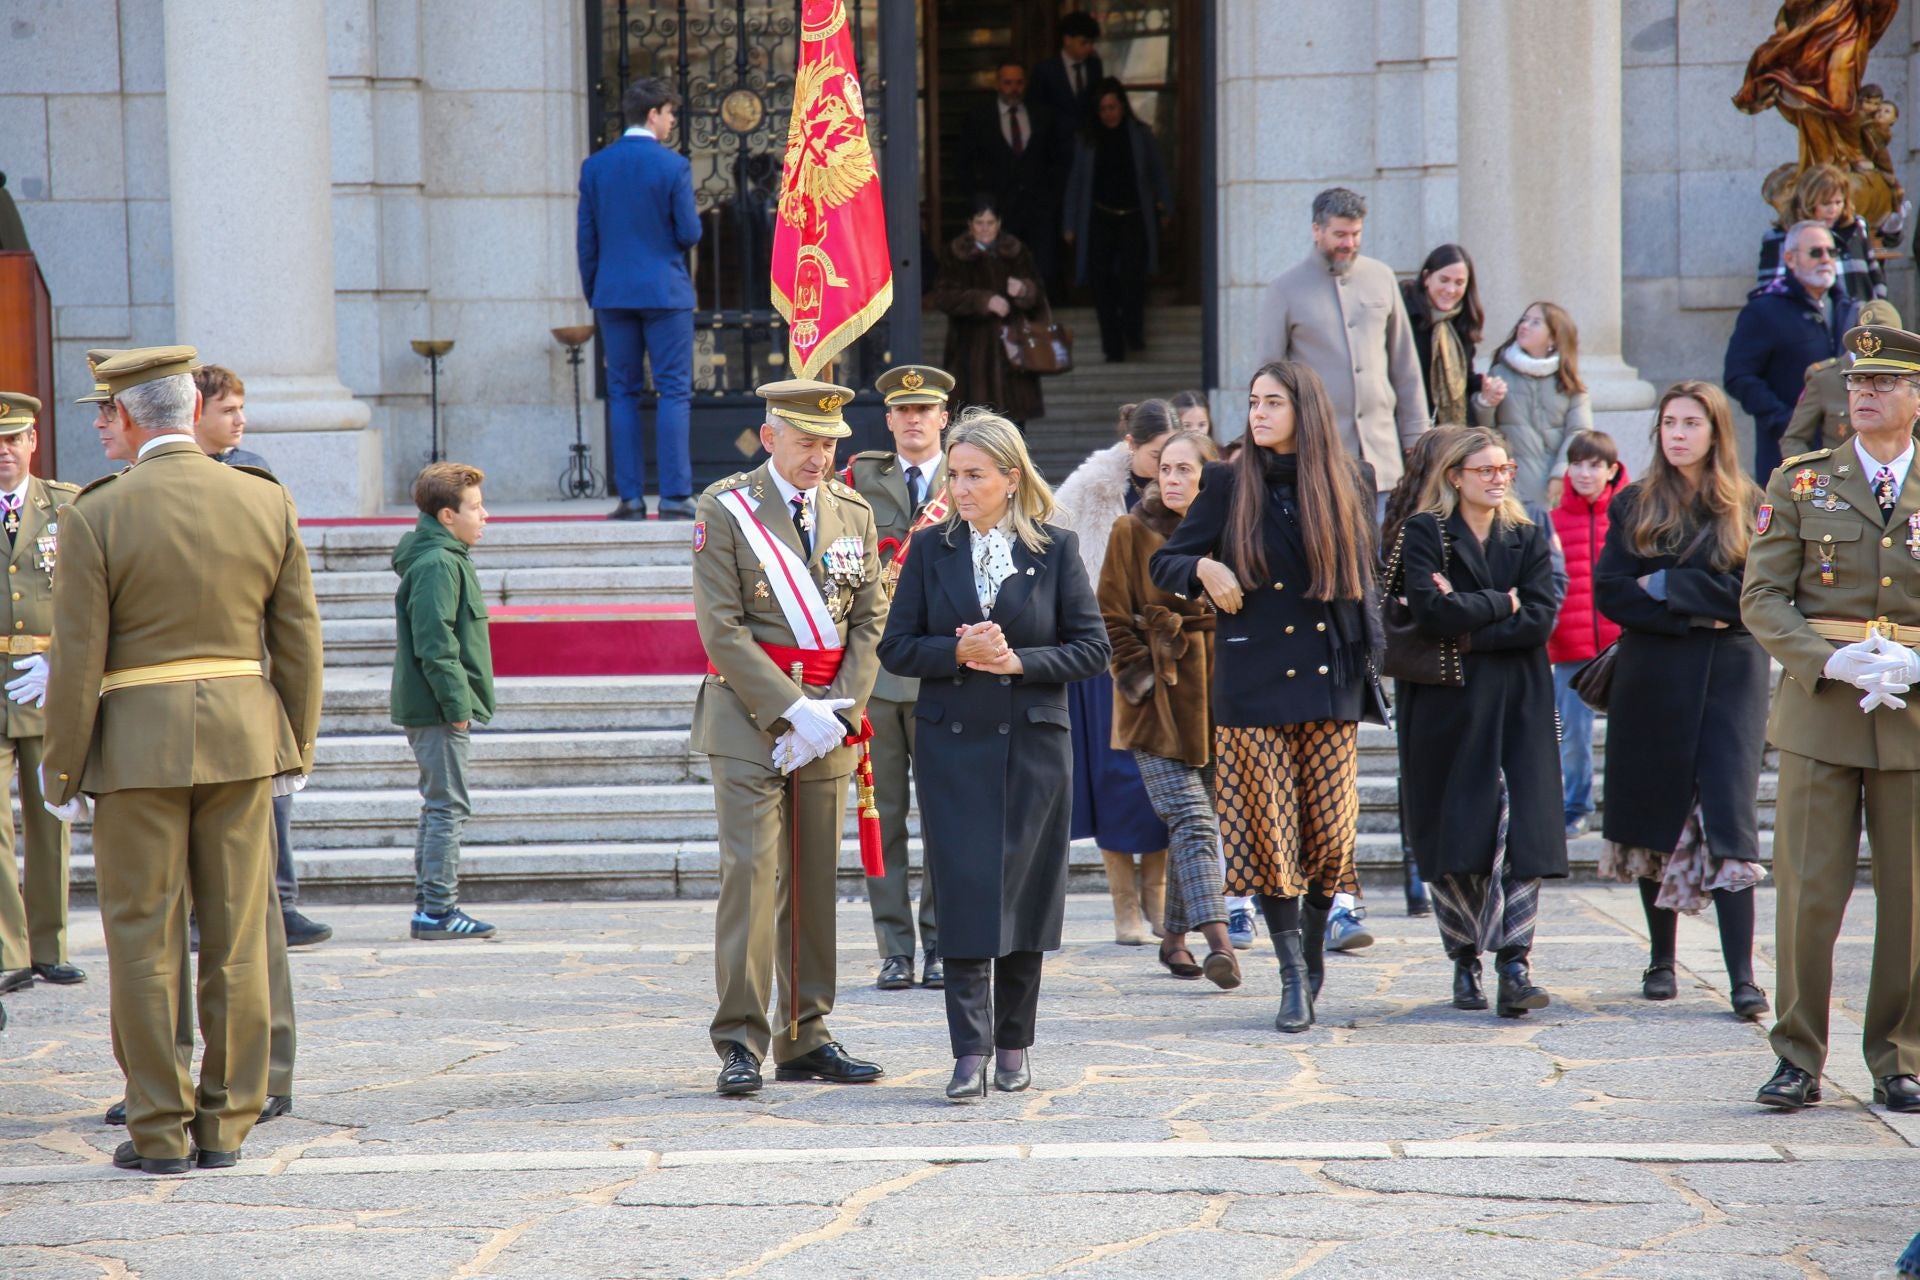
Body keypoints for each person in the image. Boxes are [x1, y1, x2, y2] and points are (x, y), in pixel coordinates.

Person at [41, 345, 323, 1176]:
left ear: (131, 417)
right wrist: (296, 743)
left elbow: (77, 657)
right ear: (191, 414)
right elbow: (297, 639)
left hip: (133, 749)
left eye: (105, 413)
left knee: (143, 939)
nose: (101, 426)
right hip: (242, 737)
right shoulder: (263, 500)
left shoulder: (97, 512)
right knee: (237, 933)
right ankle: (227, 1125)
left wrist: (63, 769)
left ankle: (159, 1129)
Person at [876, 410, 1110, 1101]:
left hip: (1036, 748)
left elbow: (1093, 650)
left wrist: (1017, 661)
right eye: (955, 474)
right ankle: (968, 1052)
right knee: (966, 897)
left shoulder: (1058, 550)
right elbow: (894, 648)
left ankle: (1014, 1046)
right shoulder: (929, 550)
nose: (961, 487)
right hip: (951, 751)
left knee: (1026, 900)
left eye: (974, 475)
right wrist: (957, 652)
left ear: (1011, 478)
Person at [1151, 361, 1387, 1034]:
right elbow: (1162, 562)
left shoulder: (1349, 479)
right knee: (1272, 837)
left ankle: (1311, 956)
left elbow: (1366, 583)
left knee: (1329, 838)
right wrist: (1203, 564)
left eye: (1273, 402)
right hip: (1252, 687)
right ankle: (1290, 975)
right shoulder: (1226, 482)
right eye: (1253, 401)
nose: (1258, 413)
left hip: (1329, 680)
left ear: (1303, 410)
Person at [1741, 321, 1920, 1115]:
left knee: (1911, 900)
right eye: (1857, 384)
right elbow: (1763, 597)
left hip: (1912, 712)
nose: (1865, 396)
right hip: (1822, 711)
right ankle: (1796, 1054)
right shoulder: (1802, 481)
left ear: (1916, 396)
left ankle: (1899, 1055)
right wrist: (1826, 659)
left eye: (1883, 384)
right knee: (1809, 892)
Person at [691, 379, 887, 1097]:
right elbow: (721, 628)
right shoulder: (727, 509)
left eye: (830, 443)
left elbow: (871, 620)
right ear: (770, 437)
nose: (820, 457)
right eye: (806, 442)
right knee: (751, 873)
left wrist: (835, 714)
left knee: (812, 880)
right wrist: (789, 711)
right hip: (749, 719)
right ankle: (740, 1039)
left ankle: (806, 1033)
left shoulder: (852, 511)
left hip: (830, 719)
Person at [1595, 383, 1770, 1020]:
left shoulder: (1752, 504)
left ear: (1715, 431)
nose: (1678, 433)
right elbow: (1612, 593)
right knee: (1653, 818)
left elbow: (1755, 597)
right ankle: (1661, 959)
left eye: (1691, 422)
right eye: (1669, 422)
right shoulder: (1635, 503)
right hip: (1655, 672)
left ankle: (1743, 978)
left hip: (1733, 675)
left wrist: (1668, 583)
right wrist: (1692, 611)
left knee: (1731, 820)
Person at [1395, 427, 1566, 1019]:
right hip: (1448, 703)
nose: (1498, 479)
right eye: (1485, 469)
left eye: (1505, 468)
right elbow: (1431, 612)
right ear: (1455, 477)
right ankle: (1464, 957)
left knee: (1521, 829)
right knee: (1456, 831)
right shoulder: (1426, 532)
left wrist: (1471, 622)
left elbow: (1541, 618)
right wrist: (1503, 602)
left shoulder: (1527, 533)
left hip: (1519, 698)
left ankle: (1514, 964)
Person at [190, 364, 330, 949]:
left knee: (272, 793)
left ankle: (282, 901)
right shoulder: (164, 474)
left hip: (250, 662)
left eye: (241, 409)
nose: (240, 420)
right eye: (227, 411)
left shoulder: (254, 471)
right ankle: (204, 912)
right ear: (196, 413)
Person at [1098, 428, 1240, 988]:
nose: (1174, 480)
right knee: (1192, 819)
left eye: (1187, 470)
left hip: (1217, 700)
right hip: (1155, 701)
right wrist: (1140, 678)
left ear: (1212, 479)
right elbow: (1109, 616)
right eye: (1166, 470)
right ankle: (1219, 942)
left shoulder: (1233, 533)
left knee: (1196, 823)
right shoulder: (1130, 530)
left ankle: (1175, 939)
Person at [842, 364, 953, 992]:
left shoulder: (973, 474)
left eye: (925, 410)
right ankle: (895, 948)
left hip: (942, 670)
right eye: (902, 411)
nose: (913, 421)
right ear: (888, 420)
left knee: (941, 815)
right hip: (878, 677)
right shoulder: (859, 477)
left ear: (944, 418)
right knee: (879, 815)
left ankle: (940, 943)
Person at [1054, 400, 1176, 945]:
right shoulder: (1087, 490)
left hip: (1172, 654)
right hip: (1105, 655)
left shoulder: (1184, 487)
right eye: (1156, 454)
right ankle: (1125, 908)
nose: (1166, 463)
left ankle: (1158, 901)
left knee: (1167, 777)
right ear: (1131, 446)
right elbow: (1056, 562)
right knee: (1115, 778)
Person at [576, 76, 701, 522]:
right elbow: (689, 232)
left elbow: (586, 240)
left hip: (612, 292)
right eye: (669, 114)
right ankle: (674, 496)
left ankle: (630, 498)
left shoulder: (596, 167)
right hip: (665, 292)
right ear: (653, 115)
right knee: (673, 392)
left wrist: (596, 290)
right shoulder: (672, 167)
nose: (671, 123)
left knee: (621, 392)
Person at [1258, 187, 1428, 501]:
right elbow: (1269, 379)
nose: (1348, 243)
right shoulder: (1284, 288)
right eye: (1339, 234)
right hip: (1319, 458)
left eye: (1355, 234)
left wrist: (1416, 435)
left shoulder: (1383, 277)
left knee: (1384, 549)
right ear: (1316, 231)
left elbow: (1406, 365)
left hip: (1383, 458)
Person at [391, 463, 498, 942]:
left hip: (438, 705)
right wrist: (457, 707)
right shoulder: (438, 563)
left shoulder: (447, 556)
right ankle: (437, 910)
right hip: (438, 708)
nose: (485, 516)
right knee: (448, 806)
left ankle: (431, 907)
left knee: (440, 805)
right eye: (475, 508)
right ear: (449, 515)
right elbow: (436, 644)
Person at [0, 394, 81, 1000]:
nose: (4, 452)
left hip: (45, 678)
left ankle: (49, 944)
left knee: (50, 813)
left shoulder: (68, 507)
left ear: (32, 443)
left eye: (13, 440)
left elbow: (88, 593)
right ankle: (9, 949)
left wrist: (63, 662)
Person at [1726, 219, 1852, 482]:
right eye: (1815, 252)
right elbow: (1738, 376)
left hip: (1846, 452)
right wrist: (1785, 420)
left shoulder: (1848, 309)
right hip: (1788, 455)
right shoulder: (1764, 311)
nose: (1826, 259)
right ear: (1790, 258)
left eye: (1831, 251)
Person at [1547, 430, 1626, 839]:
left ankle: (1625, 806)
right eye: (1576, 463)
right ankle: (1576, 805)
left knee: (1627, 734)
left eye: (1594, 465)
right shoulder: (1553, 521)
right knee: (1573, 737)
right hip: (1570, 648)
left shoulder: (1629, 515)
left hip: (1622, 645)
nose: (1584, 472)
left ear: (1612, 471)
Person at [1063, 79, 1171, 363]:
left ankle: (1133, 333)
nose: (1108, 113)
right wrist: (1070, 223)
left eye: (1112, 107)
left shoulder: (1140, 134)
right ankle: (1113, 345)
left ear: (1122, 106)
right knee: (1100, 281)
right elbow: (1075, 182)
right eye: (1102, 109)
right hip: (1099, 217)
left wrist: (1165, 204)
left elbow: (1157, 171)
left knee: (1133, 277)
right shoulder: (1086, 140)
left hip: (1133, 216)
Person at [929, 195, 1046, 427]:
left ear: (999, 223)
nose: (984, 229)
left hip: (1013, 352)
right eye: (979, 223)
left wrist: (1024, 290)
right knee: (974, 428)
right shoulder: (956, 253)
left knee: (1014, 428)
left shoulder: (1015, 250)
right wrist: (983, 301)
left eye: (990, 223)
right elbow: (943, 296)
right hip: (971, 354)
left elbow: (1039, 295)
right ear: (970, 224)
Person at [1476, 302, 1592, 508]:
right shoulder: (1500, 373)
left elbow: (1580, 432)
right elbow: (1485, 430)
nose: (1525, 325)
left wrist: (1560, 473)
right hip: (1511, 483)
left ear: (1553, 337)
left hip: (1556, 487)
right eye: (1524, 319)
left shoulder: (1570, 383)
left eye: (1536, 322)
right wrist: (1486, 402)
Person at [958, 64, 1060, 287]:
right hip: (998, 208)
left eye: (1019, 83)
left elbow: (1055, 161)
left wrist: (1050, 199)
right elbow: (966, 163)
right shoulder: (979, 117)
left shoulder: (1042, 115)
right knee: (999, 270)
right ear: (997, 84)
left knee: (1040, 269)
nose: (1014, 89)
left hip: (1037, 208)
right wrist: (978, 201)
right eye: (1007, 83)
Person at [1781, 298, 1903, 457]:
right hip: (1841, 476)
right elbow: (1794, 439)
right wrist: (1815, 478)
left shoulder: (1907, 379)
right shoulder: (1825, 378)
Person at [1400, 244, 1506, 428]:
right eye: (1444, 279)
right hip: (1409, 429)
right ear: (1426, 278)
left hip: (1450, 433)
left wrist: (1484, 385)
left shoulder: (1461, 323)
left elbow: (1463, 380)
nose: (1450, 290)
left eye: (1459, 283)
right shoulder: (1404, 316)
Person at [1756, 162, 1887, 303]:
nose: (1833, 210)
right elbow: (1769, 290)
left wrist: (1878, 308)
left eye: (1838, 202)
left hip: (1861, 318)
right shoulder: (1780, 237)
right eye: (1826, 203)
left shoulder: (1856, 228)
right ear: (1808, 202)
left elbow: (1875, 274)